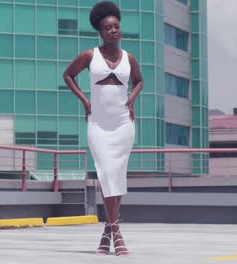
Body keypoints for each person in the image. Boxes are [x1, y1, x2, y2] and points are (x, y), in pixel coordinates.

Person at [63, 1, 143, 257]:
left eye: (116, 27)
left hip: (123, 125)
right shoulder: (90, 56)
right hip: (97, 124)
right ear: (100, 31)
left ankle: (106, 234)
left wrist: (132, 97)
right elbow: (67, 75)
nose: (113, 31)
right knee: (106, 173)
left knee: (115, 177)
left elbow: (140, 81)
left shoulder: (129, 58)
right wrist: (85, 101)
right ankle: (117, 233)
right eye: (108, 28)